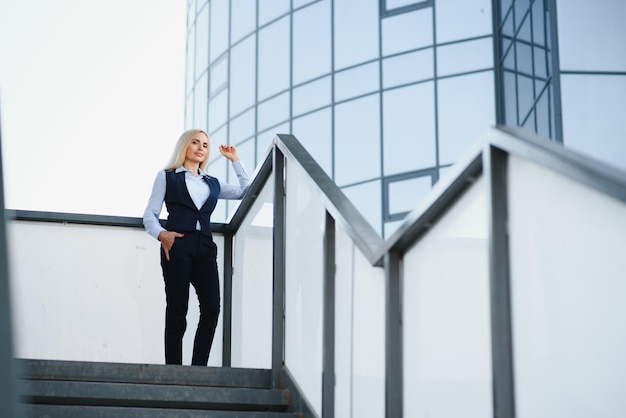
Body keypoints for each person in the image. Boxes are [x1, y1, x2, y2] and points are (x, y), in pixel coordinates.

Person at [143, 129, 250, 366]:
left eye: (205, 144)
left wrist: (235, 161)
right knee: (178, 311)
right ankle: (174, 370)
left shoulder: (212, 182)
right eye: (195, 142)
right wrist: (162, 235)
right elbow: (150, 214)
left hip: (205, 249)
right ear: (185, 146)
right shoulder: (167, 176)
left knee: (212, 308)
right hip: (177, 244)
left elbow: (245, 191)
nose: (201, 147)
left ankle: (198, 369)